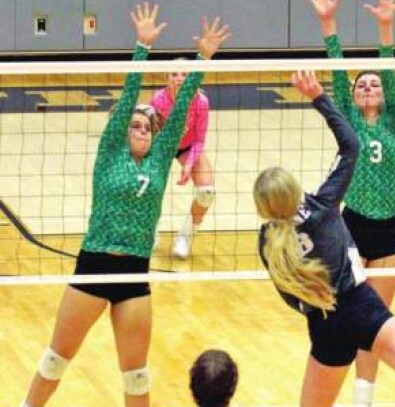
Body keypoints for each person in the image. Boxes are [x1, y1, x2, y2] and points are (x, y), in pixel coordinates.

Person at [20, 5, 230, 407]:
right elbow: (130, 93)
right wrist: (141, 47)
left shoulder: (159, 157)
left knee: (136, 376)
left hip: (134, 273)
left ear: (155, 133)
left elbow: (184, 102)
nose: (139, 129)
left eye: (145, 126)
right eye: (133, 124)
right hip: (94, 267)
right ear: (122, 131)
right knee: (55, 359)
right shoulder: (110, 157)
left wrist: (202, 58)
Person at [254, 70, 395, 407]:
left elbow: (288, 294)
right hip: (361, 305)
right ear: (295, 190)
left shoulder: (266, 240)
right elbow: (351, 144)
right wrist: (318, 98)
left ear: (262, 209)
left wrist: (310, 303)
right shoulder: (322, 205)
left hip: (322, 322)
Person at [309, 0, 395, 403]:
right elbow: (337, 72)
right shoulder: (347, 120)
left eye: (373, 84)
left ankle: (363, 397)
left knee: (375, 324)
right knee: (341, 322)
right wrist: (328, 22)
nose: (367, 86)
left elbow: (388, 71)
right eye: (360, 84)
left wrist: (387, 28)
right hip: (351, 226)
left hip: (388, 232)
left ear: (384, 97)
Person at [150, 64, 213, 259]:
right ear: (166, 79)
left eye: (184, 74)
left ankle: (185, 236)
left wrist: (189, 164)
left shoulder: (201, 102)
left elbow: (200, 140)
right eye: (174, 74)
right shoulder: (158, 100)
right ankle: (150, 231)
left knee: (207, 192)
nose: (179, 78)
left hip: (189, 147)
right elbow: (154, 134)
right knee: (150, 185)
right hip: (163, 145)